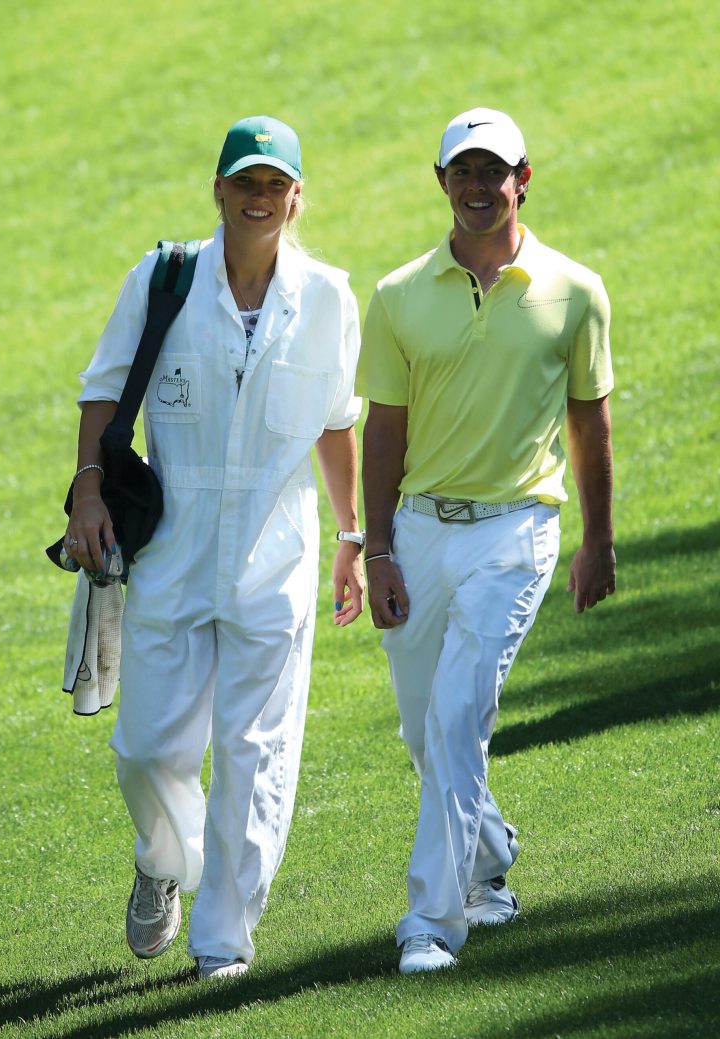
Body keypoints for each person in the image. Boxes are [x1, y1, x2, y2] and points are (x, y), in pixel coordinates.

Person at [63, 116, 364, 979]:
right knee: (147, 748)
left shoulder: (331, 299)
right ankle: (163, 861)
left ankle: (223, 940)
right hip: (174, 549)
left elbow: (338, 426)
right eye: (246, 183)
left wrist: (353, 537)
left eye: (277, 185)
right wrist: (88, 490)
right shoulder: (161, 279)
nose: (260, 199)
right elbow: (103, 390)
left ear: (297, 197)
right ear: (219, 190)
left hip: (275, 558)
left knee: (254, 752)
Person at [357, 107, 615, 974]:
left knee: (460, 714)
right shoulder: (396, 295)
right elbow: (382, 432)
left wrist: (599, 540)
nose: (476, 187)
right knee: (426, 733)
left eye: (491, 171)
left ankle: (432, 921)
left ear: (523, 178)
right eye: (461, 172)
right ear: (441, 183)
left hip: (517, 530)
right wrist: (379, 547)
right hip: (421, 530)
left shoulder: (575, 291)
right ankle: (492, 855)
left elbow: (590, 423)